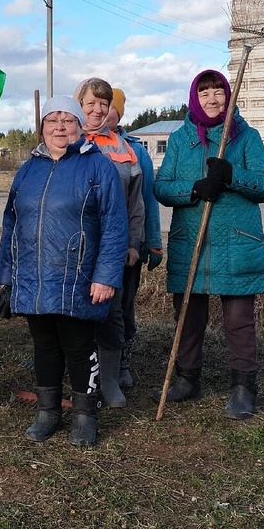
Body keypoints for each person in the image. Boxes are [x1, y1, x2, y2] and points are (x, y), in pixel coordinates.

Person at [0, 96, 128, 447]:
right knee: (44, 346)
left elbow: (115, 225)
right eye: (52, 120)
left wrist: (106, 275)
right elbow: (11, 223)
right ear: (42, 128)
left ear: (79, 126)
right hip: (34, 275)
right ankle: (48, 411)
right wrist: (7, 277)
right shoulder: (29, 168)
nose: (59, 127)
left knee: (79, 345)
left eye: (67, 120)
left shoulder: (98, 166)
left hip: (78, 275)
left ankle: (85, 414)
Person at [153, 68, 264, 419]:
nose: (212, 99)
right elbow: (161, 187)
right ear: (195, 98)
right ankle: (188, 378)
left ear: (228, 95)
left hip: (235, 243)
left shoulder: (245, 137)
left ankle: (243, 387)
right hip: (191, 240)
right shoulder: (180, 140)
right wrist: (194, 188)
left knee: (239, 320)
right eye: (205, 93)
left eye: (218, 92)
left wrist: (231, 176)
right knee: (187, 318)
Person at [75, 78, 145, 409]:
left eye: (103, 104)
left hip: (113, 247)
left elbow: (136, 204)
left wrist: (134, 243)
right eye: (90, 103)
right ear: (79, 105)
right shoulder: (67, 141)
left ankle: (111, 381)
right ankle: (80, 379)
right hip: (74, 246)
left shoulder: (124, 148)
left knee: (111, 313)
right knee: (74, 314)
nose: (97, 109)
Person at [107, 89, 163, 390]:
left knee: (124, 306)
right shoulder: (82, 143)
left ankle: (122, 362)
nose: (104, 113)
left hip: (130, 243)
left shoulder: (135, 150)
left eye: (111, 108)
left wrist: (151, 242)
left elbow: (147, 200)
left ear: (119, 114)